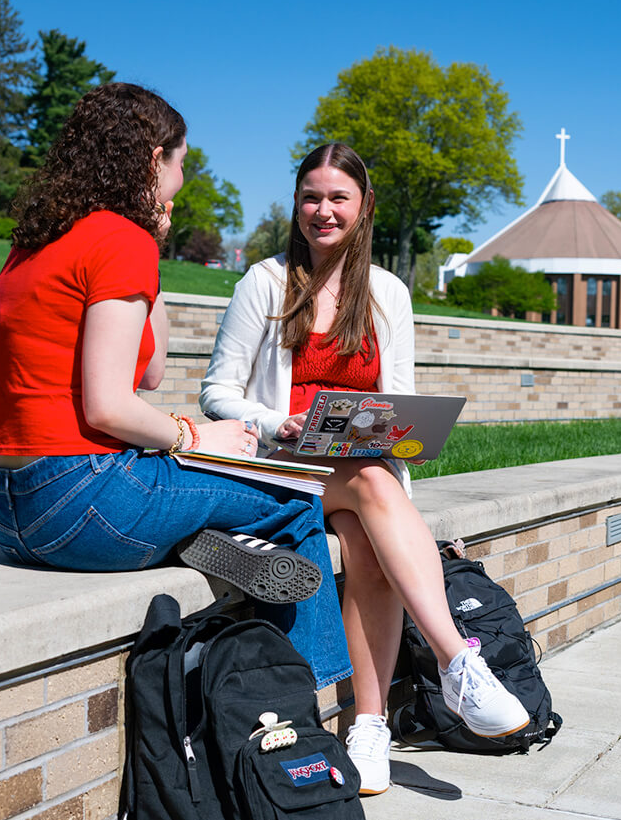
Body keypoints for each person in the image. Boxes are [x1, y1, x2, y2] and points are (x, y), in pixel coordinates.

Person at [0, 83, 349, 690]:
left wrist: (152, 250)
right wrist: (195, 435)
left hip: (13, 510)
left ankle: (194, 537)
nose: (183, 178)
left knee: (205, 489)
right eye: (180, 162)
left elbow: (146, 373)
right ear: (155, 159)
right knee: (293, 499)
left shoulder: (39, 242)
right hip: (83, 502)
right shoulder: (117, 240)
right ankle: (314, 701)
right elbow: (110, 405)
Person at [201, 143, 529, 795]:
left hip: (351, 466)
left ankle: (369, 726)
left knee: (369, 541)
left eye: (337, 197)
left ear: (363, 205)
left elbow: (395, 399)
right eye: (311, 197)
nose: (322, 211)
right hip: (279, 465)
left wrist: (395, 432)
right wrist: (277, 422)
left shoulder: (388, 293)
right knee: (375, 487)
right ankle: (457, 660)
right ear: (296, 204)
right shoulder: (263, 283)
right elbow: (217, 392)